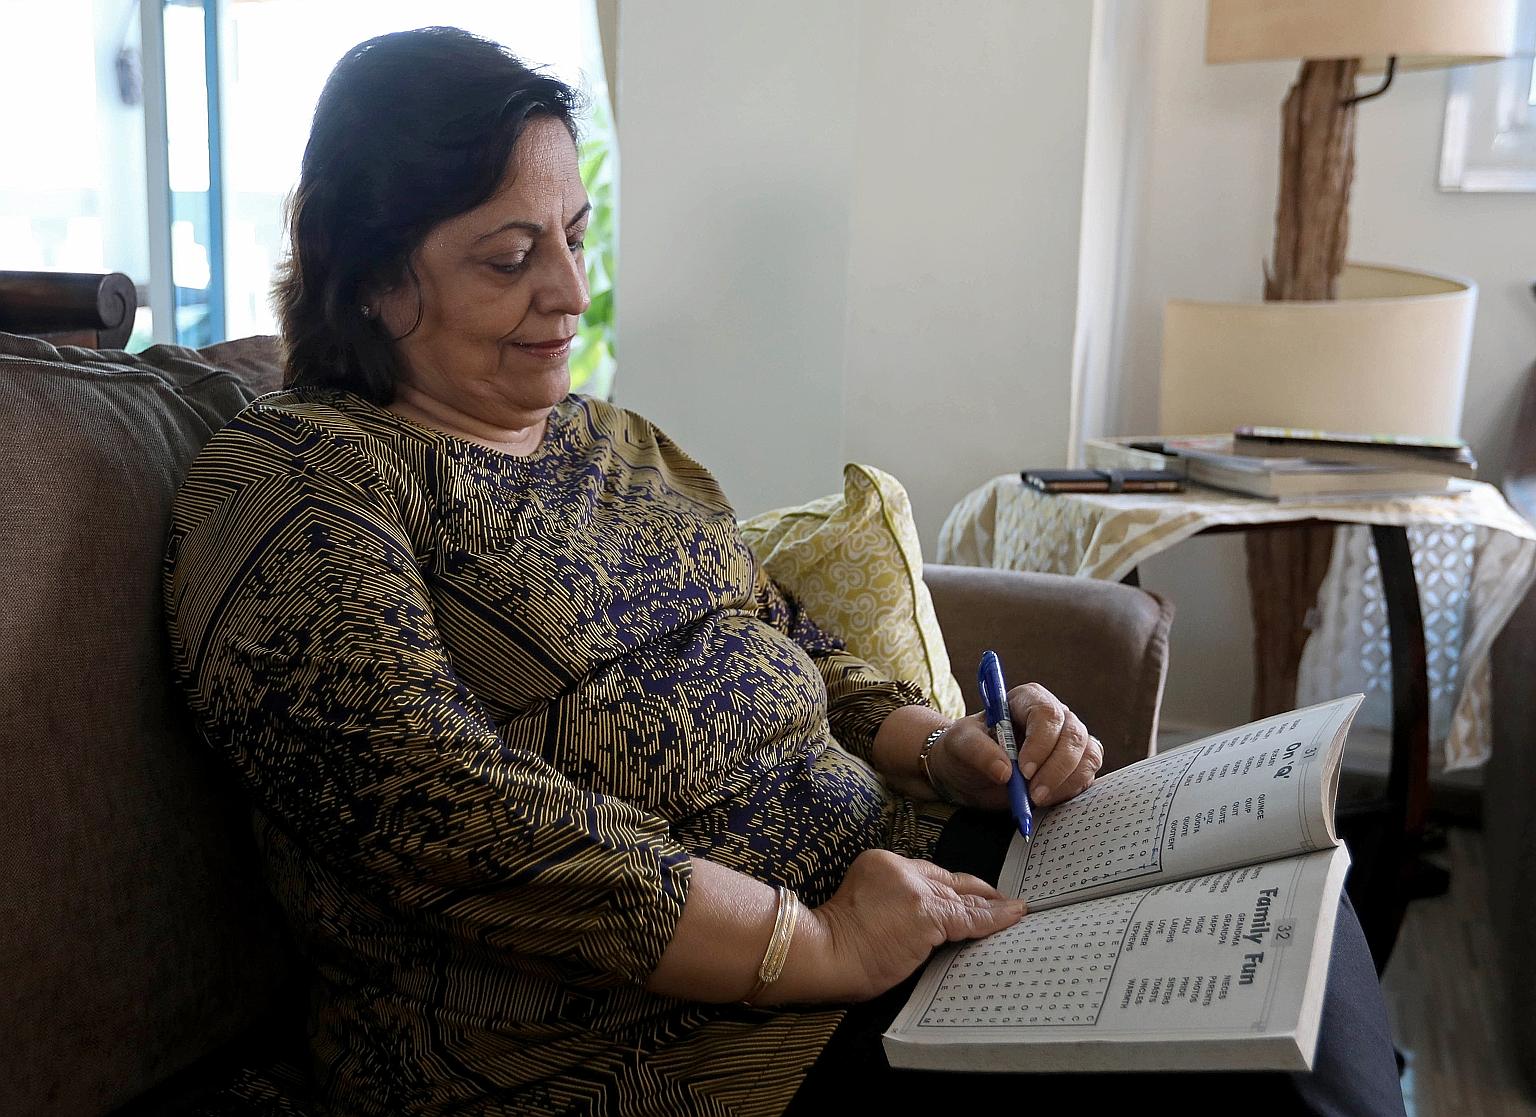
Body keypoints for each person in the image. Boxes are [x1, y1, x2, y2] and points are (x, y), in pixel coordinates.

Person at [162, 27, 1405, 1117]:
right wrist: (812, 944)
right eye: (509, 258)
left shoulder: (617, 443)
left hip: (891, 886)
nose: (571, 290)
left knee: (1289, 901)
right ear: (373, 278)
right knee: (1247, 1069)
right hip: (670, 1037)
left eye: (576, 236)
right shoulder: (297, 484)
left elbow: (793, 641)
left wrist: (948, 746)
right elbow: (441, 819)